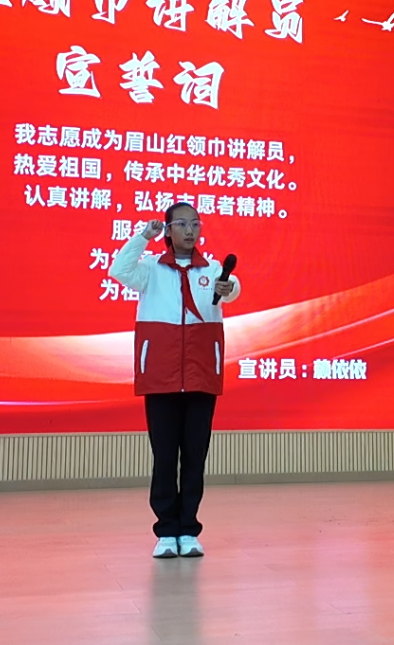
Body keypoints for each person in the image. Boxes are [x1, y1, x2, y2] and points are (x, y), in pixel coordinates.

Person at [108, 202, 241, 559]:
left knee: (195, 457)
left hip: (201, 376)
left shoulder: (212, 269)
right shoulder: (151, 269)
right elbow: (119, 270)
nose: (190, 230)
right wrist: (142, 236)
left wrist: (229, 287)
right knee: (165, 456)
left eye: (195, 223)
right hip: (160, 376)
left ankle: (189, 529)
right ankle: (166, 531)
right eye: (181, 224)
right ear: (167, 230)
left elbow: (232, 287)